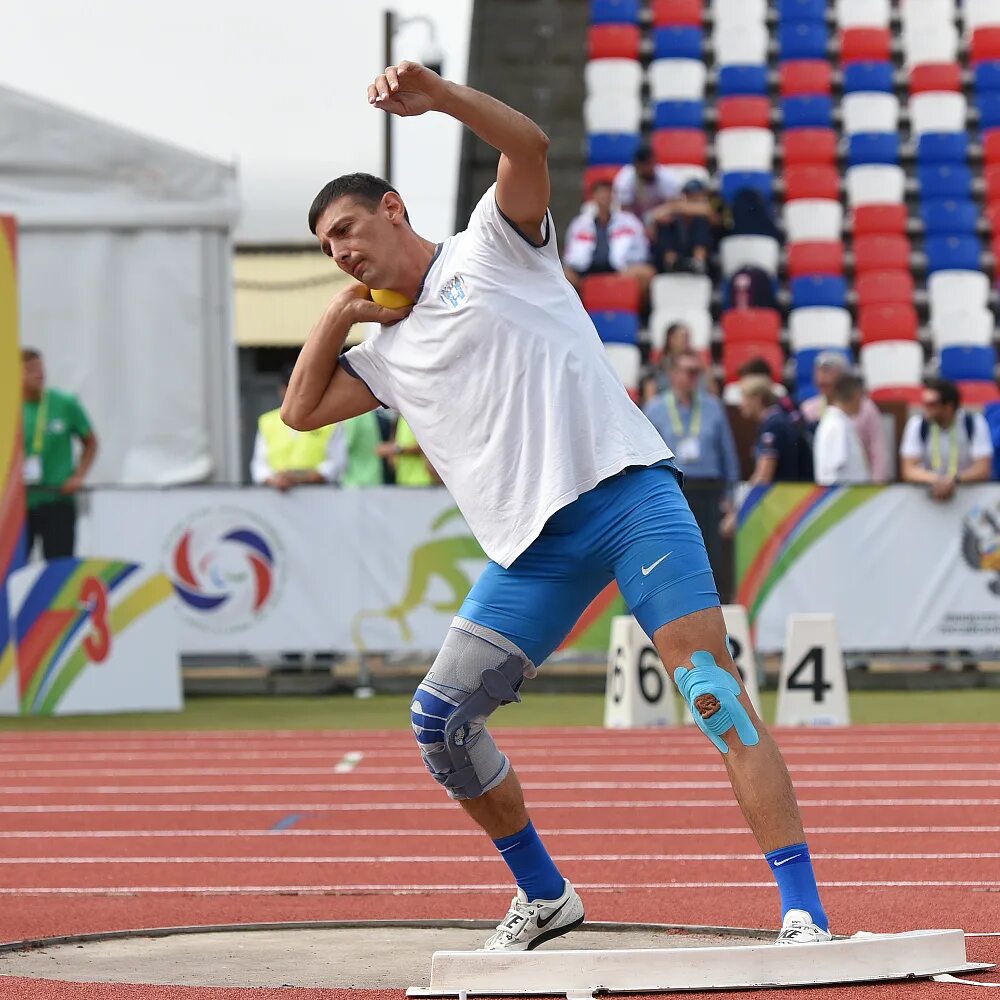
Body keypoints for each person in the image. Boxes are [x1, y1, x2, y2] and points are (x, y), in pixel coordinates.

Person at [284, 60, 831, 951]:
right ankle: (545, 895)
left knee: (710, 692)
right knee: (439, 724)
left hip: (627, 498)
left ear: (392, 207)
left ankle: (802, 910)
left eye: (347, 229)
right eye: (326, 246)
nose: (341, 249)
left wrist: (443, 98)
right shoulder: (382, 354)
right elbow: (300, 412)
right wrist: (341, 313)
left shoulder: (490, 244)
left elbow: (529, 145)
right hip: (530, 550)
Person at [644, 350, 740, 579]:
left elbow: (728, 453)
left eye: (697, 372)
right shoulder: (655, 408)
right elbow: (646, 457)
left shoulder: (713, 406)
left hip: (710, 491)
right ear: (673, 374)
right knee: (673, 555)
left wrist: (731, 497)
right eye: (688, 372)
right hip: (673, 490)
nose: (693, 377)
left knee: (711, 556)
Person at [20, 348, 97, 560]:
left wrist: (78, 475)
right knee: (12, 570)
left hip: (58, 499)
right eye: (31, 369)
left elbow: (91, 443)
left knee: (58, 568)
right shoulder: (9, 407)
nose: (39, 374)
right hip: (20, 504)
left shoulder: (65, 403)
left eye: (40, 368)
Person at [250, 365, 347, 489]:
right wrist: (274, 480)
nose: (296, 394)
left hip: (319, 496)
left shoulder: (330, 421)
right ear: (281, 390)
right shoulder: (267, 422)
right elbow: (259, 466)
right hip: (277, 497)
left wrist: (302, 479)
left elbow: (337, 463)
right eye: (290, 388)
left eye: (301, 388)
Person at [900, 378, 993, 501]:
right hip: (928, 497)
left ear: (948, 406)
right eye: (924, 403)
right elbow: (908, 469)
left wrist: (955, 479)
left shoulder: (975, 423)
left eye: (931, 404)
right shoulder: (916, 424)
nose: (925, 408)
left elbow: (982, 469)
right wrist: (936, 480)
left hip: (968, 498)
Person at [801, 353, 888, 483]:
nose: (822, 377)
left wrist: (876, 487)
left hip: (863, 487)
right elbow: (833, 471)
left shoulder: (866, 409)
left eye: (828, 372)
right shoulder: (811, 410)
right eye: (819, 372)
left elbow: (878, 451)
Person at [562, 181, 654, 301]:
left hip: (620, 269)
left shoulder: (630, 221)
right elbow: (569, 253)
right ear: (593, 197)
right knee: (562, 275)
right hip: (585, 270)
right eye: (601, 193)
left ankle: (638, 315)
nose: (604, 196)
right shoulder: (579, 224)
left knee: (647, 273)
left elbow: (641, 250)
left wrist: (628, 265)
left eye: (607, 193)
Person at [739, 375, 813, 486]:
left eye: (744, 398)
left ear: (757, 399)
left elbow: (764, 476)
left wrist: (745, 498)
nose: (741, 404)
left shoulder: (773, 426)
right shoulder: (777, 420)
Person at [813, 373, 872, 486]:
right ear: (856, 396)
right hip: (845, 498)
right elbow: (833, 474)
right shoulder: (836, 426)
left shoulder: (840, 423)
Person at [649, 178, 713, 275]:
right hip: (678, 251)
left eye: (696, 194)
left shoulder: (709, 209)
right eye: (689, 194)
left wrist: (675, 207)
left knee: (700, 222)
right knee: (666, 224)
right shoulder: (675, 217)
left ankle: (698, 262)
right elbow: (654, 215)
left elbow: (708, 210)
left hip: (703, 254)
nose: (693, 198)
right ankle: (671, 263)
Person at [612, 146, 681, 223]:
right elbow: (626, 212)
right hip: (635, 220)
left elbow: (673, 206)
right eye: (643, 165)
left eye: (649, 164)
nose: (647, 168)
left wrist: (651, 218)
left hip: (659, 219)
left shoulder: (667, 178)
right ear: (636, 166)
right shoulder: (625, 179)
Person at [377, 416, 439, 486]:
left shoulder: (419, 415)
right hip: (404, 480)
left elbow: (427, 445)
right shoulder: (401, 416)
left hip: (422, 480)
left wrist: (396, 449)